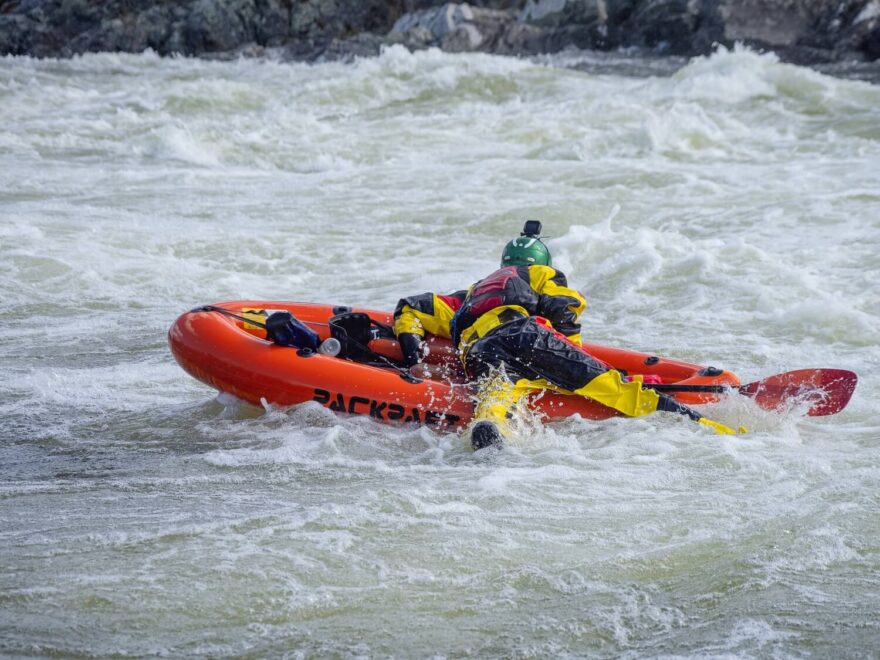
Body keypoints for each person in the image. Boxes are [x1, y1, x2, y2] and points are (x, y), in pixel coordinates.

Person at [393, 221, 742, 449]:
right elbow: (565, 307)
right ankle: (713, 429)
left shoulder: (466, 296)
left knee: (496, 397)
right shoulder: (537, 273)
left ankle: (490, 427)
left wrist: (413, 355)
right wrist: (569, 352)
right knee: (617, 389)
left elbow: (410, 307)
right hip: (524, 334)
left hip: (481, 349)